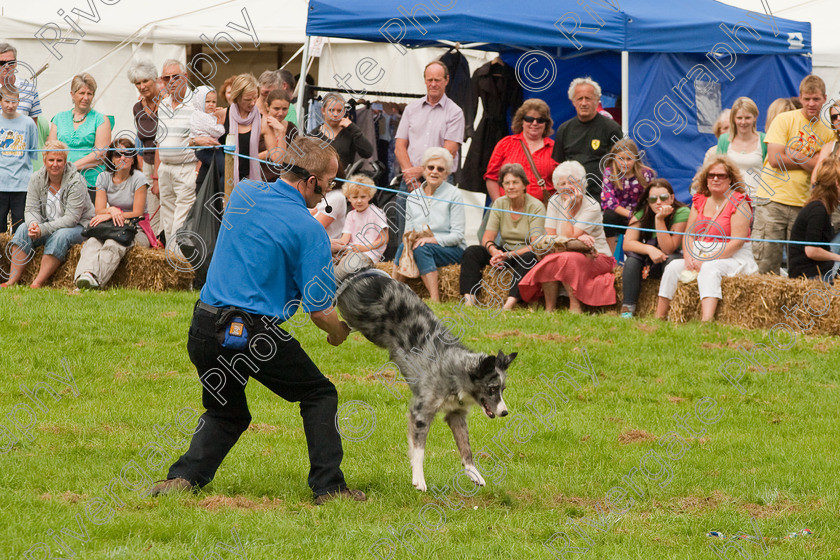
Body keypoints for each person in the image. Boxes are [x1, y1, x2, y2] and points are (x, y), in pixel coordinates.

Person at [149, 136, 366, 506]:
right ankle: (330, 489)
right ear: (311, 181)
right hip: (249, 334)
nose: (326, 194)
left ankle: (184, 478)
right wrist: (341, 332)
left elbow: (265, 240)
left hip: (203, 326)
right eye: (328, 184)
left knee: (226, 410)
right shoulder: (310, 231)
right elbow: (320, 312)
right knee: (319, 394)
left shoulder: (244, 194)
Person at [656, 156, 757, 322]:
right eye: (711, 175)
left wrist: (706, 259)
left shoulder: (740, 202)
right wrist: (688, 257)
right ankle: (659, 317)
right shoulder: (699, 201)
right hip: (699, 253)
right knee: (673, 266)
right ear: (705, 178)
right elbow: (688, 234)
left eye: (721, 175)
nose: (715, 178)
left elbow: (737, 242)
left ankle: (706, 321)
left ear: (730, 178)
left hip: (733, 256)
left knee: (710, 268)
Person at [752, 75, 834, 275]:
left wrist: (795, 154)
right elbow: (775, 159)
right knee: (765, 264)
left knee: (799, 267)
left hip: (803, 204)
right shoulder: (784, 119)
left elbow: (822, 170)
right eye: (807, 99)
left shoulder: (829, 130)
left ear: (824, 98)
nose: (811, 104)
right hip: (772, 200)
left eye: (816, 99)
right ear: (800, 98)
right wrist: (810, 160)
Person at [518, 161, 616, 313]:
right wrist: (574, 240)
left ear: (581, 184)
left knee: (566, 258)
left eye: (572, 182)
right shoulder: (553, 201)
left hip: (597, 256)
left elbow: (565, 236)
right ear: (557, 186)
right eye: (562, 183)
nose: (567, 187)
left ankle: (575, 306)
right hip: (563, 252)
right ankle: (549, 308)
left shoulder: (591, 206)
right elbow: (552, 237)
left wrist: (566, 210)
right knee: (551, 256)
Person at [1, 140, 95, 288]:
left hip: (79, 227)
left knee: (61, 235)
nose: (55, 164)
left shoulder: (77, 181)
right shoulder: (36, 178)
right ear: (44, 161)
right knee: (23, 229)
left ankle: (37, 283)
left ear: (65, 162)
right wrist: (33, 224)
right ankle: (11, 281)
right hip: (47, 223)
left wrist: (42, 229)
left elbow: (71, 219)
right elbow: (31, 209)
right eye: (51, 160)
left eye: (59, 160)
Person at [460, 163, 545, 310]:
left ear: (524, 185)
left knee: (530, 257)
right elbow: (487, 237)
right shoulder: (499, 203)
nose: (511, 187)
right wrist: (494, 252)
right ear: (502, 186)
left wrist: (508, 255)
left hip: (523, 253)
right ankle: (469, 300)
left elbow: (536, 245)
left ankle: (509, 305)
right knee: (471, 251)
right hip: (504, 251)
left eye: (515, 182)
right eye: (507, 183)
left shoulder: (536, 206)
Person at [394, 61, 465, 236]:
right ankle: (404, 262)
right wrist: (410, 176)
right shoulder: (411, 109)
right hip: (408, 181)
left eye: (438, 80)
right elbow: (399, 147)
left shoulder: (455, 113)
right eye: (430, 79)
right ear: (424, 80)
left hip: (439, 180)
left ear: (446, 80)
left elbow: (449, 151)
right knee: (406, 232)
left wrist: (420, 172)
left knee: (435, 233)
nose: (433, 84)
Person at [392, 147, 466, 302]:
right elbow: (408, 230)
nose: (434, 172)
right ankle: (393, 294)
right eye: (430, 167)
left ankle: (435, 299)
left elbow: (458, 236)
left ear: (446, 174)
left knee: (421, 248)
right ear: (424, 170)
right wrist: (409, 241)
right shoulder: (413, 196)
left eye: (440, 169)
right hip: (422, 246)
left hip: (452, 249)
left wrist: (432, 239)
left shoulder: (454, 194)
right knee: (403, 247)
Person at [74, 139, 150, 289]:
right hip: (112, 225)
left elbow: (137, 212)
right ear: (111, 158)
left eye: (128, 154)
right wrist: (111, 210)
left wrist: (112, 214)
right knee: (92, 242)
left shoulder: (139, 178)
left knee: (113, 243)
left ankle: (96, 281)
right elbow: (99, 210)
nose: (123, 158)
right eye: (118, 154)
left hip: (136, 227)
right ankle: (83, 277)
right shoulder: (103, 177)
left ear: (134, 158)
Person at [620, 178, 689, 318]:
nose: (658, 202)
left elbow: (668, 248)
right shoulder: (642, 212)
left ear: (671, 198)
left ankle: (667, 311)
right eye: (653, 199)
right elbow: (627, 243)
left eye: (663, 198)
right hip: (650, 256)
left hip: (672, 255)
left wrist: (659, 220)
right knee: (632, 262)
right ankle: (627, 309)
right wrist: (649, 249)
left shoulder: (682, 212)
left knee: (671, 262)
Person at [552, 77, 623, 200]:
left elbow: (621, 165)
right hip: (572, 196)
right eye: (580, 98)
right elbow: (559, 165)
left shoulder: (612, 128)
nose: (584, 103)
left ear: (597, 100)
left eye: (588, 98)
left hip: (603, 197)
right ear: (573, 101)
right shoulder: (564, 129)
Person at [154, 60, 199, 250]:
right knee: (167, 218)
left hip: (186, 168)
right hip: (165, 169)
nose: (171, 81)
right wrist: (156, 175)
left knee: (181, 221)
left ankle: (178, 265)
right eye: (166, 78)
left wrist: (196, 172)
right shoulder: (163, 105)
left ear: (185, 77)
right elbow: (158, 142)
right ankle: (171, 261)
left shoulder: (197, 103)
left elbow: (207, 141)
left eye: (175, 76)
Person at [48, 73, 112, 198]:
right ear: (72, 94)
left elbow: (101, 154)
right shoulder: (59, 118)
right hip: (61, 181)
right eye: (82, 93)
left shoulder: (101, 119)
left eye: (90, 93)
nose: (86, 97)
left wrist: (71, 167)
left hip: (91, 182)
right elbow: (51, 150)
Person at [484, 98, 557, 203]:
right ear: (521, 121)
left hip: (542, 213)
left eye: (540, 120)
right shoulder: (505, 144)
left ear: (546, 123)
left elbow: (562, 184)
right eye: (529, 119)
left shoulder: (554, 148)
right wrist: (499, 207)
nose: (535, 123)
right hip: (508, 210)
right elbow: (491, 178)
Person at [788, 158, 840, 280]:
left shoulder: (821, 207)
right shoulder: (818, 210)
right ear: (837, 184)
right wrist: (837, 257)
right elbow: (811, 250)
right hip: (808, 275)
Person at [600, 138, 654, 253]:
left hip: (639, 215)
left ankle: (638, 254)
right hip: (619, 214)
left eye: (629, 159)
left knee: (648, 220)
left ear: (636, 159)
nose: (624, 163)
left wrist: (637, 216)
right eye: (621, 159)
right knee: (608, 217)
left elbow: (649, 200)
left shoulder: (645, 174)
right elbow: (610, 202)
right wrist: (630, 215)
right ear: (614, 158)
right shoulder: (609, 173)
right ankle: (610, 256)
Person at [128, 59, 162, 239]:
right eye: (137, 83)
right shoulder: (137, 108)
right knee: (152, 205)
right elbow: (139, 140)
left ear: (155, 78)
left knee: (168, 205)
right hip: (147, 162)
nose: (141, 86)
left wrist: (156, 174)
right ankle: (156, 241)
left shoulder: (166, 104)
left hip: (166, 161)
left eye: (145, 81)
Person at [0, 87, 38, 235]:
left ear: (19, 102)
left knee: (20, 225)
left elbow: (33, 150)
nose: (10, 105)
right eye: (7, 101)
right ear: (1, 101)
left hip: (21, 184)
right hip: (1, 183)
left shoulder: (28, 123)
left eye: (14, 101)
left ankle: (17, 257)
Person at [211, 73, 261, 184]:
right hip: (224, 179)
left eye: (255, 98)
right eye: (248, 99)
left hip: (250, 182)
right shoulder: (222, 115)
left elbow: (277, 157)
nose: (253, 103)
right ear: (236, 97)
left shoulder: (262, 119)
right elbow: (204, 146)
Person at [715, 97, 766, 198]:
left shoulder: (764, 140)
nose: (743, 122)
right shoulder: (724, 140)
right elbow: (718, 170)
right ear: (733, 119)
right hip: (730, 200)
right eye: (739, 118)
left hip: (758, 200)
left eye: (747, 118)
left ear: (755, 117)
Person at [310, 93, 374, 171]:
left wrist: (353, 128)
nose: (335, 114)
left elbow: (368, 152)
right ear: (323, 111)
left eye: (339, 111)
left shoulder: (350, 132)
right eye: (331, 110)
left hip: (343, 180)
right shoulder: (313, 135)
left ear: (344, 112)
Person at [336, 174, 388, 269]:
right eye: (355, 197)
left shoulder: (376, 212)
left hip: (370, 252)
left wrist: (364, 248)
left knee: (347, 267)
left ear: (370, 196)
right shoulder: (351, 215)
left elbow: (384, 238)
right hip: (354, 250)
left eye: (363, 197)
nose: (359, 201)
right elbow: (345, 238)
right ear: (349, 198)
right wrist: (338, 248)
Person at [258, 89, 299, 183]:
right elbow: (245, 157)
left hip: (284, 180)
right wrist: (267, 154)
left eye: (285, 109)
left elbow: (295, 157)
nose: (280, 113)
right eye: (276, 109)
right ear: (267, 106)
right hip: (259, 179)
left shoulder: (291, 128)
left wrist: (282, 131)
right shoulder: (258, 126)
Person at [190, 85, 225, 189]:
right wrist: (220, 121)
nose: (211, 105)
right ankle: (223, 194)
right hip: (206, 150)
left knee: (218, 170)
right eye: (207, 101)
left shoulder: (204, 115)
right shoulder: (201, 116)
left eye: (214, 102)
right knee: (224, 170)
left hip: (209, 149)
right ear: (199, 101)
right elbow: (218, 131)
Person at [0, 43, 42, 124]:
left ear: (16, 63)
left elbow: (33, 125)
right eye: (2, 63)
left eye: (11, 62)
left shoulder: (30, 89)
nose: (7, 66)